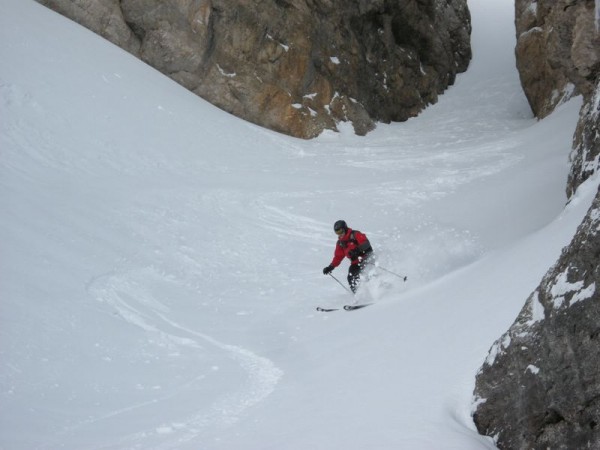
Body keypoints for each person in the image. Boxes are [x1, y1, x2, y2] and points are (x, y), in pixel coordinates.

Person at [322, 220, 373, 293]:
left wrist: (357, 250)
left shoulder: (355, 234)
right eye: (337, 233)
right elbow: (338, 257)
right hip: (356, 263)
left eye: (340, 231)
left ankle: (378, 288)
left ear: (345, 228)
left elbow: (366, 244)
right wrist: (330, 267)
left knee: (367, 275)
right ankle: (359, 295)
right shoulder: (340, 243)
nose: (340, 234)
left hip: (367, 259)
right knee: (351, 277)